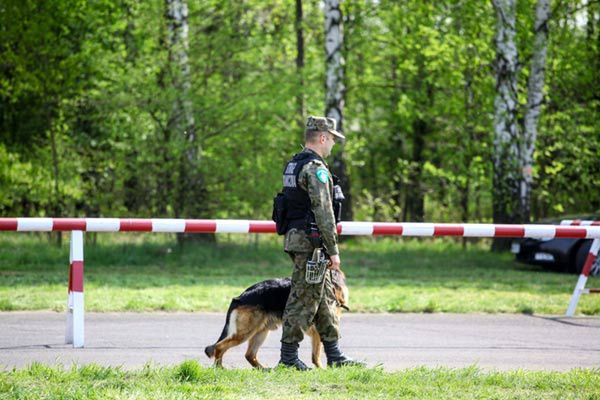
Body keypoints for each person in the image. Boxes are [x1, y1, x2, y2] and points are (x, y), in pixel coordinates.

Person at [277, 116, 363, 370]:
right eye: (333, 139)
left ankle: (335, 355)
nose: (333, 145)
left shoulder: (294, 164)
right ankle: (288, 358)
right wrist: (333, 251)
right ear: (323, 137)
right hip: (311, 244)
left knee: (324, 297)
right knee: (303, 298)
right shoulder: (316, 169)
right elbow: (324, 212)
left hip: (298, 239)